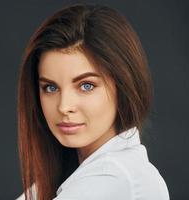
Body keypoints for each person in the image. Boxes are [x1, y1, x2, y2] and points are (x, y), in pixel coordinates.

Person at [16, 3, 169, 200]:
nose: (64, 107)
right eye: (51, 88)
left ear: (123, 86)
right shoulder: (72, 174)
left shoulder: (114, 177)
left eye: (86, 86)